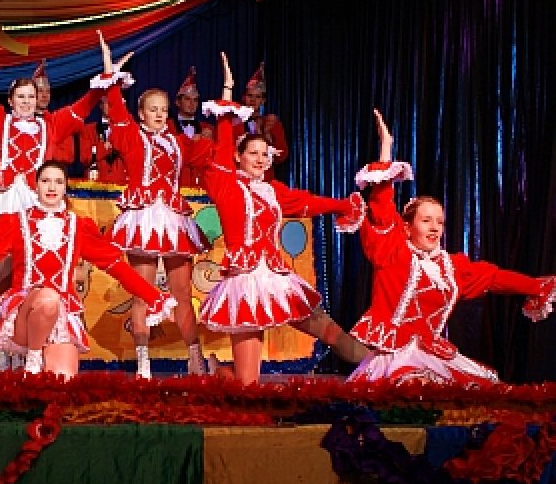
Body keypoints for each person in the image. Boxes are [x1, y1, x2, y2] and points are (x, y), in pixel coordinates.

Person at [0, 161, 176, 377]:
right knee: (48, 298)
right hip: (24, 313)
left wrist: (156, 298)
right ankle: (32, 358)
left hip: (60, 317)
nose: (51, 187)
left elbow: (117, 268)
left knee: (62, 381)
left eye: (58, 182)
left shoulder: (78, 227)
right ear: (36, 185)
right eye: (45, 181)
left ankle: (39, 363)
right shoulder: (15, 222)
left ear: (66, 188)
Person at [346, 109, 556, 386]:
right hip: (395, 357)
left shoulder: (451, 267)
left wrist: (537, 286)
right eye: (426, 220)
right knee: (411, 389)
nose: (435, 228)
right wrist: (387, 146)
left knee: (480, 389)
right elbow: (382, 204)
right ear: (407, 228)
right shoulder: (393, 251)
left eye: (440, 222)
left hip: (432, 354)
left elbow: (494, 278)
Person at [199, 52, 368, 385]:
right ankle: (220, 373)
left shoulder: (273, 190)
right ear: (238, 157)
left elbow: (306, 202)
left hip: (277, 278)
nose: (261, 159)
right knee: (248, 383)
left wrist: (341, 206)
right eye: (253, 153)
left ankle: (382, 370)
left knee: (331, 332)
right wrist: (228, 92)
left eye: (265, 154)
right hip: (245, 283)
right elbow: (221, 145)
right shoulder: (225, 184)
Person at [0, 38, 105, 369]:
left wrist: (102, 85)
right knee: (2, 280)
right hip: (2, 206)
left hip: (37, 207)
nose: (25, 102)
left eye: (31, 97)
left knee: (29, 278)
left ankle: (29, 349)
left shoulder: (50, 125)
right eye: (20, 97)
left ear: (38, 100)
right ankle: (4, 348)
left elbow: (80, 111)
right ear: (10, 100)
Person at [97, 34, 211, 378]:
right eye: (153, 109)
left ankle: (195, 359)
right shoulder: (131, 137)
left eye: (163, 109)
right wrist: (110, 73)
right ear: (141, 113)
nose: (160, 115)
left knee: (182, 293)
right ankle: (143, 363)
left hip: (174, 220)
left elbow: (208, 157)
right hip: (144, 219)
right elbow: (116, 110)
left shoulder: (178, 142)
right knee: (142, 293)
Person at [232, 62, 288, 182]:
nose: (253, 100)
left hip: (265, 180)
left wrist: (266, 134)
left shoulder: (272, 124)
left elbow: (282, 156)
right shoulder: (234, 123)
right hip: (239, 179)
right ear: (243, 97)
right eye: (250, 96)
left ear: (263, 101)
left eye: (257, 97)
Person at [170, 66, 213, 188]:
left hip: (199, 186)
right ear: (177, 102)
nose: (192, 103)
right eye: (187, 99)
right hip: (175, 183)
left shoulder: (208, 129)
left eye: (195, 100)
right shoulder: (167, 126)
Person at [78, 96, 128, 185]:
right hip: (94, 185)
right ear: (101, 105)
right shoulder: (87, 129)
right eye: (109, 102)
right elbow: (84, 158)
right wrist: (104, 147)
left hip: (123, 185)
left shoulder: (131, 131)